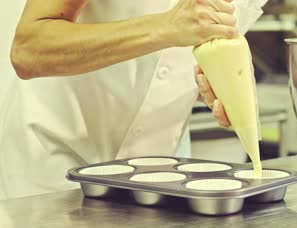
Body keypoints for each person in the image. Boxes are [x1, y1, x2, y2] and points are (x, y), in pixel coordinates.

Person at [0, 0, 264, 200]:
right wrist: (168, 26)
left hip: (157, 175)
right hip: (55, 167)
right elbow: (28, 50)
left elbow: (202, 45)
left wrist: (223, 85)